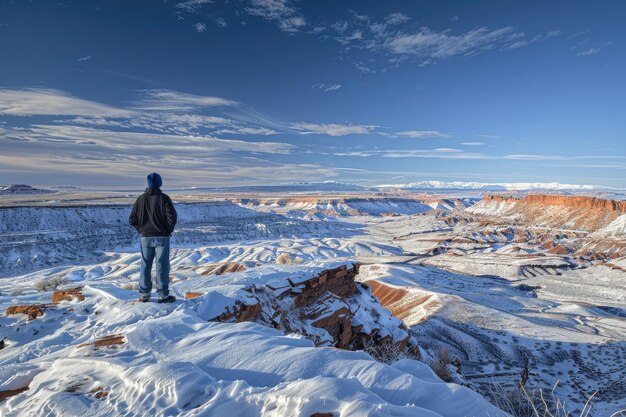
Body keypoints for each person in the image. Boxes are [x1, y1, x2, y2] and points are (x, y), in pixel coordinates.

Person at [129, 173, 177, 303]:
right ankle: (163, 295)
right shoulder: (164, 198)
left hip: (146, 237)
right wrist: (167, 230)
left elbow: (132, 219)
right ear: (159, 183)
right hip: (162, 236)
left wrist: (141, 229)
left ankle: (144, 295)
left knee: (145, 265)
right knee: (162, 265)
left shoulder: (141, 199)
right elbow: (172, 217)